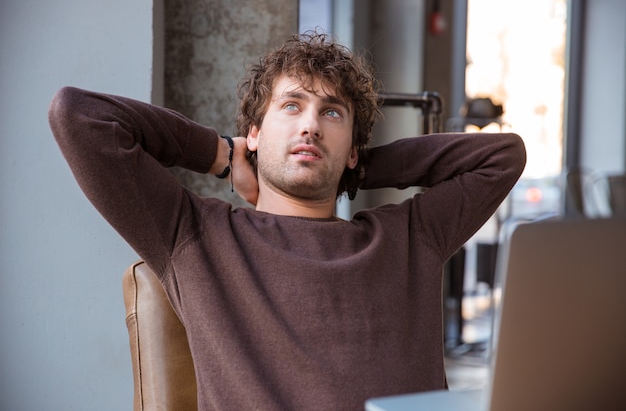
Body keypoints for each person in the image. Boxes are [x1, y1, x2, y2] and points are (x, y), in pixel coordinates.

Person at [49, 31, 526, 411]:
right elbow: (77, 116)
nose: (311, 125)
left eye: (332, 113)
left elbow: (503, 157)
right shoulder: (196, 237)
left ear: (354, 146)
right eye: (292, 106)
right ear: (254, 133)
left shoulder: (407, 238)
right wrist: (219, 153)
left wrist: (349, 165)